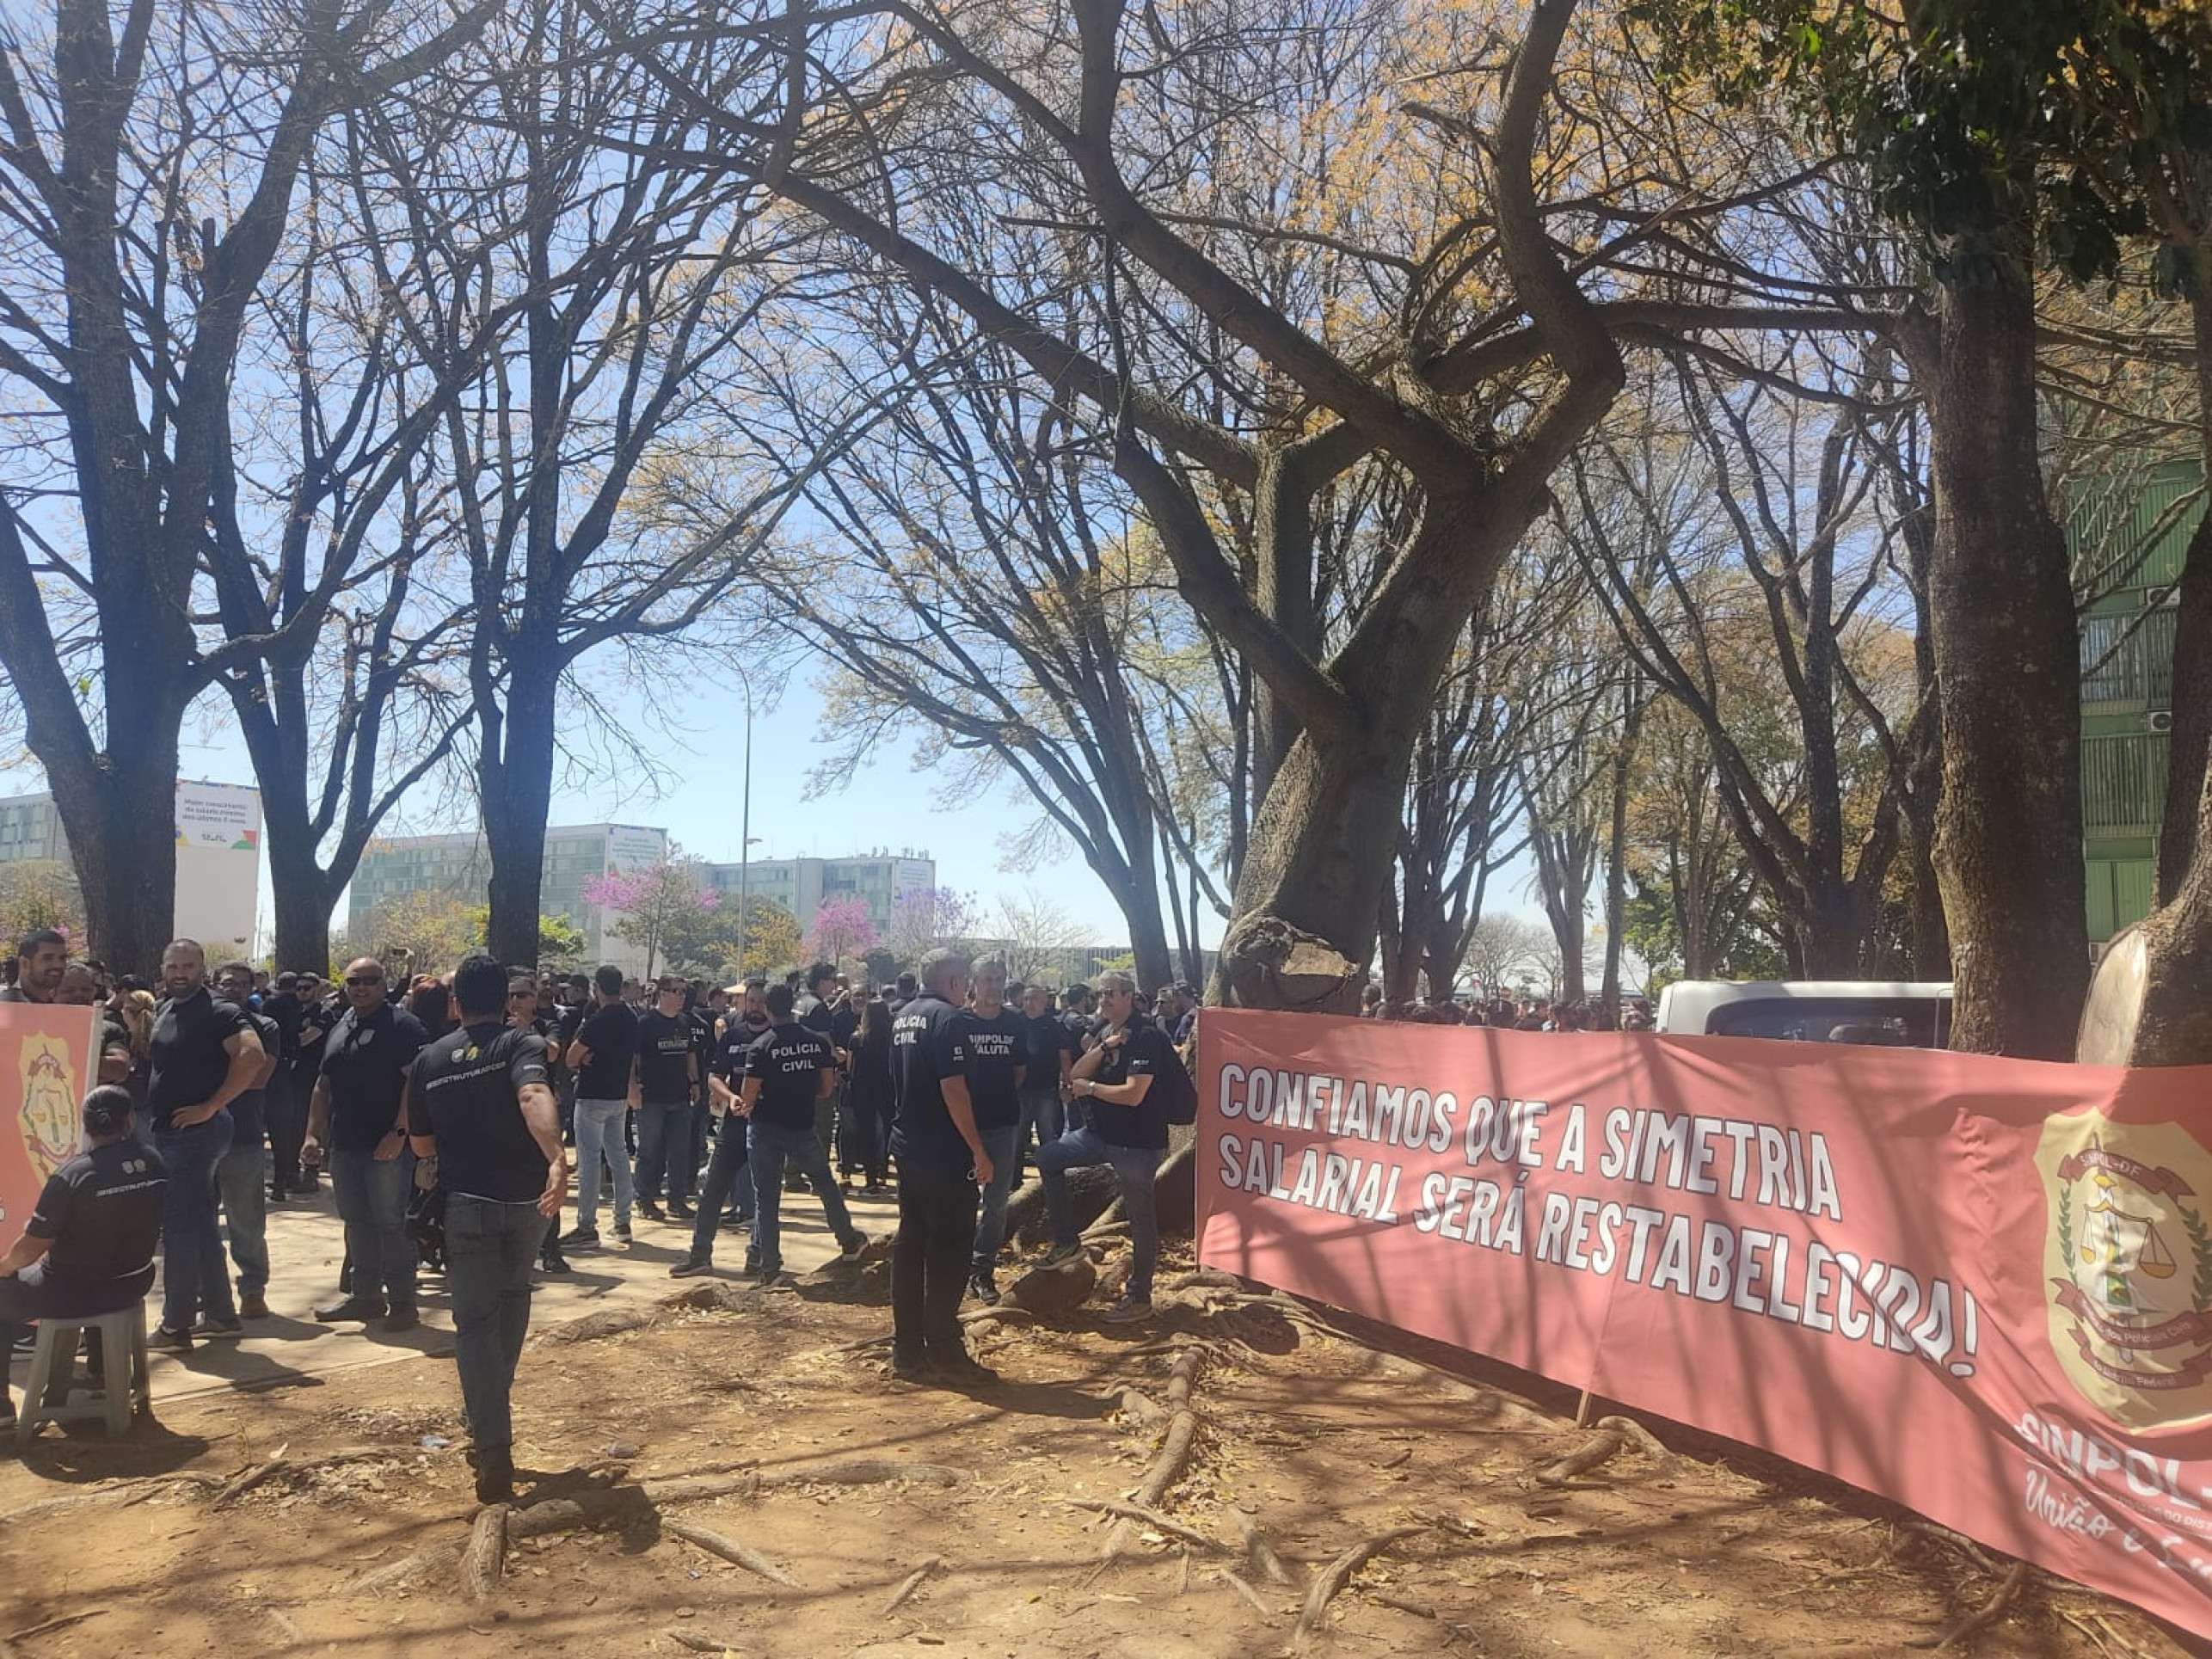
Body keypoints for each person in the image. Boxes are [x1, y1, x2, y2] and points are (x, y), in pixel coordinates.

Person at [405, 955, 567, 1503]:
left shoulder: (430, 1058)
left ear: (455, 1003)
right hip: (528, 1203)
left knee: (474, 1326)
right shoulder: (522, 1044)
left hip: (465, 1205)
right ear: (507, 1000)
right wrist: (556, 1158)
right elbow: (533, 1095)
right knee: (514, 1299)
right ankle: (490, 1407)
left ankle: (492, 1445)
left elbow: (421, 1145)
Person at [0, 1086, 165, 1434]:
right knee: (96, 1263)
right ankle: (101, 1374)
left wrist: (5, 1267)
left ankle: (1, 1407)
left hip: (71, 1293)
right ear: (130, 1120)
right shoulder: (154, 1161)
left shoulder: (74, 1175)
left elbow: (31, 1248)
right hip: (134, 1282)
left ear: (85, 1126)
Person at [887, 949, 995, 1386]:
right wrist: (979, 1150)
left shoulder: (903, 1016)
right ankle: (945, 1347)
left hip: (908, 1145)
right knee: (950, 1250)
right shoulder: (949, 1021)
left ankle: (907, 1348)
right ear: (953, 982)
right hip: (945, 1152)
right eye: (964, 980)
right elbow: (954, 1090)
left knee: (911, 1245)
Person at [304, 957, 431, 1330]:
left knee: (390, 1224)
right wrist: (313, 1133)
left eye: (370, 981)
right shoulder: (342, 1024)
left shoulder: (404, 1026)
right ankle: (366, 1298)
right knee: (356, 1222)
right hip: (345, 1143)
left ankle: (404, 1304)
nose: (361, 987)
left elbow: (416, 1082)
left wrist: (400, 1132)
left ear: (383, 984)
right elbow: (322, 1084)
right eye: (354, 981)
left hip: (387, 1145)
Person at [1041, 972, 1172, 1324]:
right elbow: (1076, 1075)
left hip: (1137, 1144)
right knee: (1048, 1157)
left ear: (1129, 996)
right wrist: (1104, 1047)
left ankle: (1139, 1297)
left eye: (1111, 994)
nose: (1103, 1000)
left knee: (1140, 1220)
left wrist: (1091, 1089)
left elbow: (1134, 1094)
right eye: (1100, 994)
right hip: (1100, 1136)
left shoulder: (1147, 1037)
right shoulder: (1107, 1033)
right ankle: (1067, 1243)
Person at [735, 983, 868, 1286]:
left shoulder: (761, 1046)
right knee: (825, 1185)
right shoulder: (817, 1044)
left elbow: (749, 1096)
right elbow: (825, 1090)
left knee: (766, 1198)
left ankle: (769, 1267)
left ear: (768, 1009)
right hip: (802, 1127)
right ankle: (847, 1240)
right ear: (793, 1006)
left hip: (765, 1129)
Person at [212, 962, 281, 1320]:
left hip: (243, 1136)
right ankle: (204, 1294)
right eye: (227, 983)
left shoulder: (266, 1026)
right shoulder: (202, 1023)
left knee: (247, 1220)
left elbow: (258, 1077)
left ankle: (253, 1289)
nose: (234, 989)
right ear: (215, 985)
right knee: (198, 1222)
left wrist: (209, 1095)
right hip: (197, 1139)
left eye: (242, 984)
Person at [957, 959, 1027, 1306]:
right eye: (987, 979)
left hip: (1003, 1124)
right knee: (960, 1198)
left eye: (999, 980)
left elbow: (1019, 1071)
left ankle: (982, 1269)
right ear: (973, 983)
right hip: (962, 1126)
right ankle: (954, 1264)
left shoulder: (1015, 1023)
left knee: (996, 1202)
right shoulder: (958, 1022)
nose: (994, 986)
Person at [562, 964, 640, 1250]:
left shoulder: (596, 1020)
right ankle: (622, 1221)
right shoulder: (632, 1018)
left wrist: (584, 1058)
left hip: (592, 1094)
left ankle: (586, 1226)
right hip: (618, 1095)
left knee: (590, 1161)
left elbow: (571, 1057)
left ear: (597, 987)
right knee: (619, 1157)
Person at [3, 928, 132, 1085]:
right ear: (53, 993)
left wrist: (57, 1057)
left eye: (85, 990)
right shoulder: (16, 1016)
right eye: (69, 990)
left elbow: (119, 1069)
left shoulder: (107, 1028)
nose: (79, 995)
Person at [632, 978, 699, 1223]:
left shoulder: (684, 1023)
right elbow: (635, 1057)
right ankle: (644, 1198)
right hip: (652, 1097)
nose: (681, 997)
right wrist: (633, 1086)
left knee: (679, 1151)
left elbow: (690, 1054)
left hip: (680, 1096)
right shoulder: (646, 1023)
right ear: (662, 993)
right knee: (649, 1150)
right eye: (676, 992)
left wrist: (695, 1083)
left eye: (684, 992)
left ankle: (677, 1200)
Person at [1015, 982, 1076, 1188]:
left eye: (1034, 999)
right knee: (1017, 1138)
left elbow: (1064, 1056)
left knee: (1048, 1136)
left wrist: (1067, 1082)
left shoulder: (1054, 1026)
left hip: (1046, 1091)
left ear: (1044, 1002)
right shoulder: (1014, 1023)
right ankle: (1014, 1183)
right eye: (1026, 999)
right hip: (1019, 1090)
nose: (1029, 1003)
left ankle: (1051, 1184)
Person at [848, 992, 896, 1195]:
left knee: (866, 1134)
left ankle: (870, 1180)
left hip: (863, 1090)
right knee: (888, 1131)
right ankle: (884, 1169)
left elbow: (850, 1066)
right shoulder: (893, 1038)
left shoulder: (857, 1039)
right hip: (888, 1088)